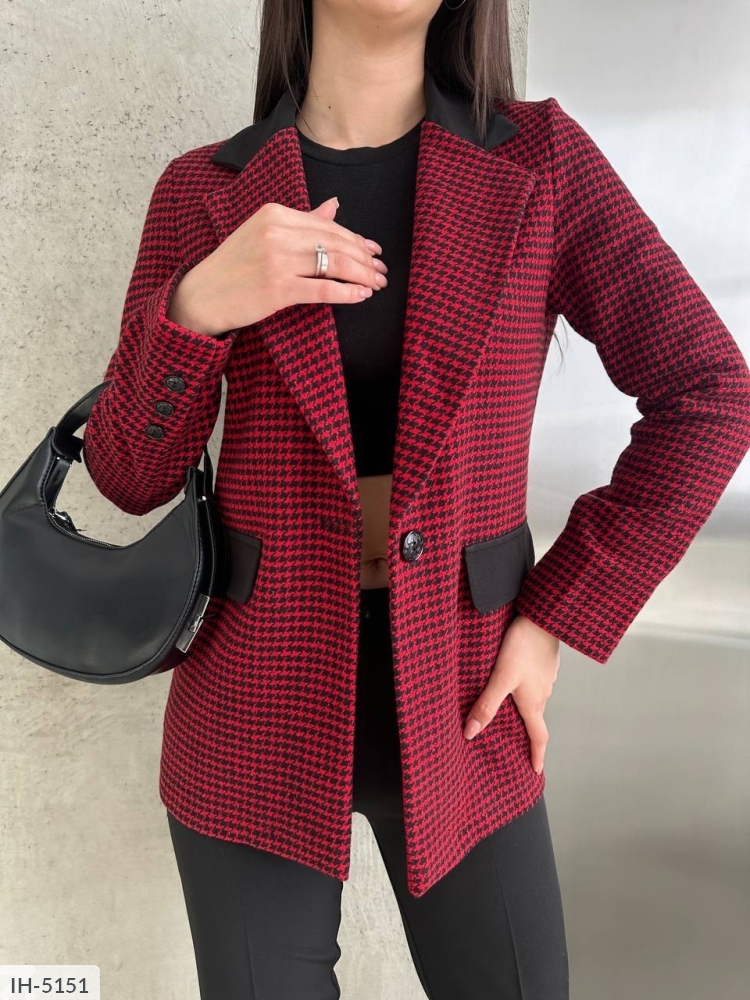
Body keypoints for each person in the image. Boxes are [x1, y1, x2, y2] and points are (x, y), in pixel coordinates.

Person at [81, 1, 750, 998]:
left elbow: (710, 392)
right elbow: (127, 477)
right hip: (250, 709)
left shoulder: (542, 160)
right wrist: (197, 306)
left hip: (469, 696)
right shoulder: (204, 191)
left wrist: (556, 618)